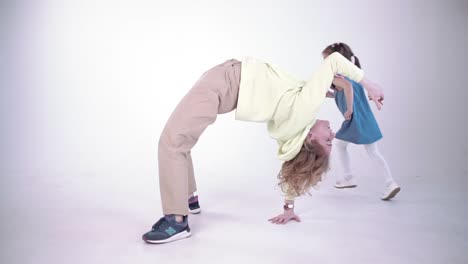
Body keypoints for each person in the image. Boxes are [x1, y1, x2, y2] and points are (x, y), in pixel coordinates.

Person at [142, 52, 385, 244]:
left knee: (172, 141)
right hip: (225, 84)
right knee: (181, 142)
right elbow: (293, 168)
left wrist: (369, 85)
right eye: (332, 140)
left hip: (223, 85)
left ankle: (176, 221)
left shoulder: (304, 113)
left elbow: (333, 61)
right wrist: (289, 207)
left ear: (311, 138)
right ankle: (188, 197)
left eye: (328, 140)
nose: (333, 133)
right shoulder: (293, 133)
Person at [322, 42, 400, 200]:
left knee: (342, 145)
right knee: (371, 152)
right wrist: (329, 94)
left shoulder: (342, 77)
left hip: (355, 119)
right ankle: (389, 182)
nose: (325, 65)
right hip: (366, 120)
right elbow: (343, 92)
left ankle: (350, 177)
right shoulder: (355, 76)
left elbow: (348, 91)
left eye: (327, 60)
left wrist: (349, 109)